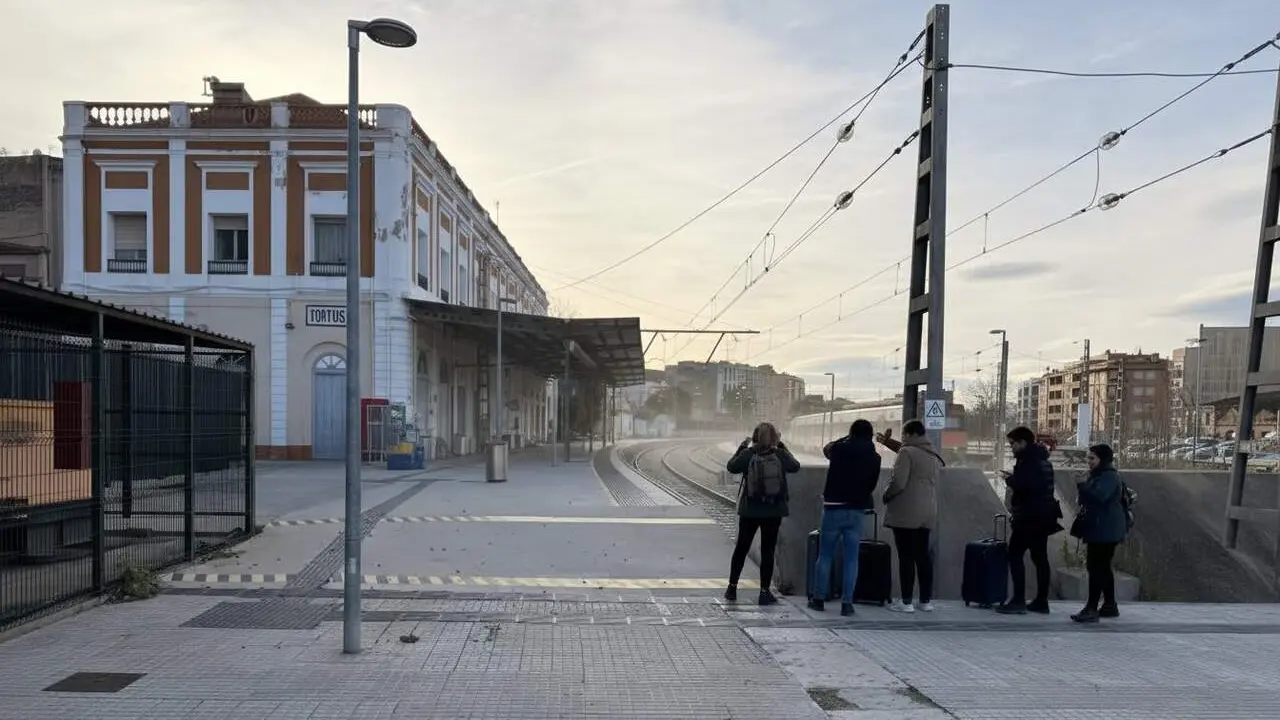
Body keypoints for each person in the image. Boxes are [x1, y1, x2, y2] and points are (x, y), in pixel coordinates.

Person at [809, 419, 882, 616]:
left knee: (825, 555)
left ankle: (818, 599)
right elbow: (872, 485)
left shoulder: (839, 450)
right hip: (857, 510)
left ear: (851, 433)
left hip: (833, 509)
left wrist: (846, 438)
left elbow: (826, 448)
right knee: (851, 559)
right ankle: (847, 603)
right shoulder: (875, 457)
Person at [724, 421, 800, 605]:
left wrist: (743, 446)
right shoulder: (779, 454)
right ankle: (764, 593)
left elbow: (731, 466)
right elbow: (795, 466)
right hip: (773, 511)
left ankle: (732, 589)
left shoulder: (749, 454)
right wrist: (781, 446)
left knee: (741, 548)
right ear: (774, 437)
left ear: (755, 436)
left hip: (750, 510)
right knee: (768, 550)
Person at [996, 426, 1064, 615]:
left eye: (1013, 444)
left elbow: (1025, 486)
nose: (1011, 447)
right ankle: (1041, 601)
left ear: (1023, 442)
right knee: (1040, 558)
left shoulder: (1029, 461)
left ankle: (1018, 600)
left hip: (1029, 517)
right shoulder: (1042, 460)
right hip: (1044, 516)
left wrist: (1010, 480)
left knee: (1015, 554)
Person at [882, 420, 943, 613]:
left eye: (904, 435)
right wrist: (888, 442)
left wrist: (887, 494)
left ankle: (906, 602)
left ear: (911, 434)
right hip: (928, 511)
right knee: (923, 556)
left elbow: (899, 482)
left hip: (907, 511)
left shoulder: (906, 452)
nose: (903, 438)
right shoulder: (931, 453)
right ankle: (925, 601)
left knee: (906, 556)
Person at [1070, 443, 1128, 623]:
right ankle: (1109, 605)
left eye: (1092, 458)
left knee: (1096, 568)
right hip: (1101, 528)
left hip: (1105, 530)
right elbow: (1086, 498)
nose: (1088, 461)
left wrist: (1082, 485)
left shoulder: (1109, 476)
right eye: (1088, 458)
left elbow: (1099, 497)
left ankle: (1091, 608)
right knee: (1102, 567)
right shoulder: (1098, 475)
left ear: (1102, 459)